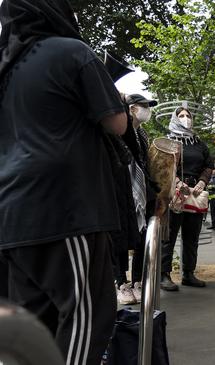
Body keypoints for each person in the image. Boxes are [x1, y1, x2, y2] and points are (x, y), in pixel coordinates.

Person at [0, 1, 127, 363]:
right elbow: (116, 124)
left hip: (11, 215)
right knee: (86, 315)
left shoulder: (5, 63)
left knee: (33, 324)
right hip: (64, 208)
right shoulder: (72, 52)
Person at [113, 93, 159, 305]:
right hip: (123, 191)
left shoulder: (143, 135)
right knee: (121, 237)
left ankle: (138, 282)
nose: (147, 110)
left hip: (143, 192)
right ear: (131, 108)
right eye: (144, 106)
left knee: (142, 238)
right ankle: (121, 282)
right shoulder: (119, 132)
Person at [160, 107, 213, 291]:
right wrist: (176, 182)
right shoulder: (168, 141)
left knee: (192, 236)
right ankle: (164, 275)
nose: (185, 119)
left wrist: (202, 182)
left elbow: (208, 165)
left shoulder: (198, 143)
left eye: (188, 116)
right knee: (169, 235)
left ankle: (188, 273)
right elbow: (161, 165)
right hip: (175, 193)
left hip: (195, 194)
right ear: (174, 118)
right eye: (181, 116)